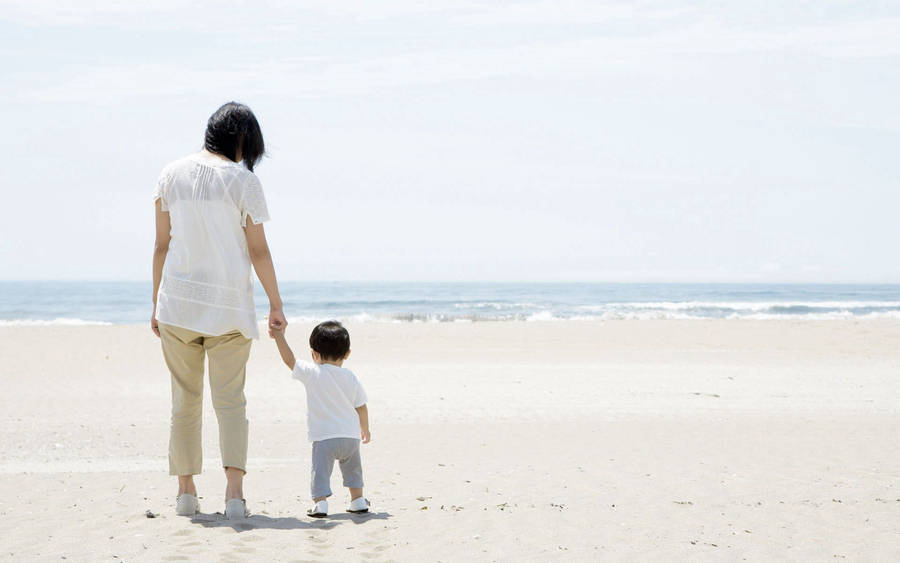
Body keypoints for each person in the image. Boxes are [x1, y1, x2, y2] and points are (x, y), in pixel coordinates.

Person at [151, 101, 287, 520]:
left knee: (184, 402)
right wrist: (275, 304)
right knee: (230, 402)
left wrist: (155, 303)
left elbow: (161, 244)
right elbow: (258, 250)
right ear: (243, 139)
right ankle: (233, 495)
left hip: (178, 304)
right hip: (229, 308)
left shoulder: (170, 173)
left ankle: (186, 494)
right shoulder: (243, 182)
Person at [269, 321, 371, 517]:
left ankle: (320, 503)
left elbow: (289, 360)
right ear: (347, 353)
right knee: (353, 470)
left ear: (314, 353)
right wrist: (364, 428)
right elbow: (361, 405)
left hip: (324, 437)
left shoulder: (313, 373)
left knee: (320, 472)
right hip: (350, 437)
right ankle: (357, 500)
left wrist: (279, 336)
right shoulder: (350, 377)